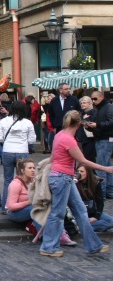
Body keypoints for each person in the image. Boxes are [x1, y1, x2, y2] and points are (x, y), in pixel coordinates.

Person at [39, 110, 113, 257]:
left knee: (80, 211)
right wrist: (105, 168)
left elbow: (54, 157)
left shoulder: (60, 135)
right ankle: (48, 247)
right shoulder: (68, 139)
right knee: (58, 213)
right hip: (62, 178)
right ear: (79, 123)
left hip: (63, 177)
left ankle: (93, 245)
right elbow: (83, 161)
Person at [0, 100, 34, 214]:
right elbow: (31, 139)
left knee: (8, 180)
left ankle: (5, 206)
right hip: (22, 151)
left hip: (7, 151)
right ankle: (20, 205)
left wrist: (6, 141)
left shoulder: (4, 121)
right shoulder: (27, 123)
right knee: (23, 179)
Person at [84, 91, 113, 199]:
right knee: (107, 166)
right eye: (92, 99)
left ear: (102, 97)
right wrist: (91, 127)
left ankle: (102, 193)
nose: (93, 101)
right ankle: (109, 191)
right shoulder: (99, 109)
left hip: (105, 139)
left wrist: (97, 125)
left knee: (101, 166)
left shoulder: (108, 107)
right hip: (101, 138)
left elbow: (111, 122)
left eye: (95, 98)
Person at [76, 165, 113, 232]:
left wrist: (96, 217)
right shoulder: (74, 183)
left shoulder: (95, 183)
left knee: (111, 221)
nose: (79, 173)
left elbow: (100, 201)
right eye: (77, 171)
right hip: (80, 214)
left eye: (81, 171)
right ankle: (85, 226)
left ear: (88, 173)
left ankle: (83, 227)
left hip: (92, 212)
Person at [77, 96, 96, 163]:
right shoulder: (81, 113)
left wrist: (85, 119)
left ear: (89, 103)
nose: (82, 104)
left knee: (89, 158)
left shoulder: (93, 113)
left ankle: (91, 172)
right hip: (82, 139)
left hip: (90, 139)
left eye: (84, 103)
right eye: (81, 103)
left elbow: (91, 124)